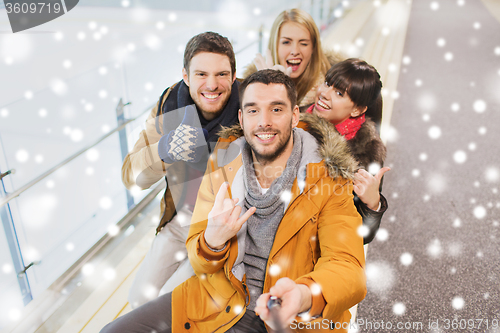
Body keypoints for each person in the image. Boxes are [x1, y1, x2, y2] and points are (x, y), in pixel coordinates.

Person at [102, 69, 366, 333]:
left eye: (276, 110)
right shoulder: (223, 161)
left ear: (295, 115)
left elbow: (348, 268)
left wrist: (304, 294)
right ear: (241, 117)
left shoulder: (329, 178)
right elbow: (199, 258)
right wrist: (212, 242)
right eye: (253, 110)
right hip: (219, 298)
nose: (264, 122)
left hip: (286, 318)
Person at [121, 31, 240, 308]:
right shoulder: (168, 106)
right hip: (182, 221)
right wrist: (163, 150)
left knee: (171, 305)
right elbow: (131, 178)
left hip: (224, 228)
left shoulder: (248, 107)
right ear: (185, 76)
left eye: (222, 74)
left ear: (234, 76)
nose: (212, 84)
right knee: (138, 299)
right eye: (201, 74)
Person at [304, 58, 389, 244]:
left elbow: (361, 236)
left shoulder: (367, 152)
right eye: (327, 83)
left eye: (339, 93)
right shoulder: (296, 119)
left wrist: (373, 204)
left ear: (358, 110)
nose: (324, 93)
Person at [244, 8, 340, 107]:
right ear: (275, 45)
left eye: (303, 44)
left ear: (313, 48)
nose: (295, 51)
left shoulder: (333, 94)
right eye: (286, 42)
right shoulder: (249, 89)